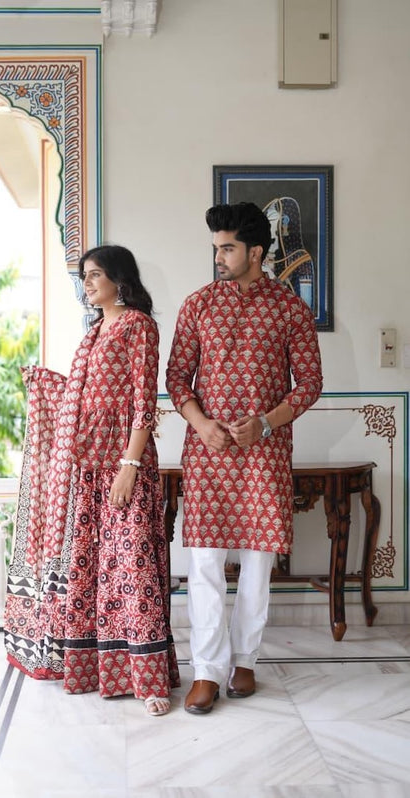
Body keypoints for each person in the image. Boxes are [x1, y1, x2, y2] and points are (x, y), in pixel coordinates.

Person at [4, 244, 180, 717]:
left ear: (119, 279)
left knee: (132, 572)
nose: (87, 284)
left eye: (95, 275)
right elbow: (86, 401)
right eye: (84, 277)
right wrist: (47, 387)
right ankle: (97, 671)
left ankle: (149, 681)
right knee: (91, 571)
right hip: (87, 469)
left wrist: (130, 465)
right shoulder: (95, 331)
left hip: (122, 467)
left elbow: (144, 402)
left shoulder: (138, 326)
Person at [166, 202, 322, 715]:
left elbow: (312, 384)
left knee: (257, 563)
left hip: (265, 453)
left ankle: (245, 661)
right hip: (208, 453)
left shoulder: (290, 310)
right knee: (205, 564)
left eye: (227, 248)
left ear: (256, 252)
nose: (218, 257)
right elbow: (175, 380)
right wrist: (201, 423)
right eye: (216, 248)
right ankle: (206, 671)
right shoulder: (198, 306)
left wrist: (266, 423)